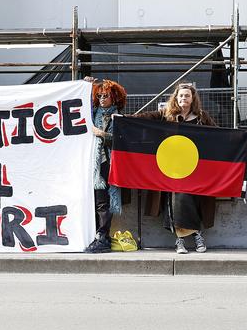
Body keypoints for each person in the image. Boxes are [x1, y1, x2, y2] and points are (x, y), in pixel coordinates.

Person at [137, 82, 216, 254]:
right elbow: (145, 118)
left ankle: (182, 239)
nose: (183, 98)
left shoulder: (202, 117)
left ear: (192, 98)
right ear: (176, 98)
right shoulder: (167, 115)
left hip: (196, 170)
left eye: (187, 95)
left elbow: (218, 135)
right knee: (176, 196)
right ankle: (192, 236)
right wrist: (124, 119)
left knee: (189, 197)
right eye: (181, 95)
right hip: (171, 169)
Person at [84, 79, 127, 253]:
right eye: (99, 95)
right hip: (89, 162)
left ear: (114, 97)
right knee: (92, 200)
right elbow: (78, 105)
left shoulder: (118, 117)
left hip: (106, 163)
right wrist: (86, 86)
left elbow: (121, 140)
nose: (102, 98)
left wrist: (101, 134)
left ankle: (102, 236)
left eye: (106, 95)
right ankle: (98, 235)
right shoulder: (92, 112)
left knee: (103, 201)